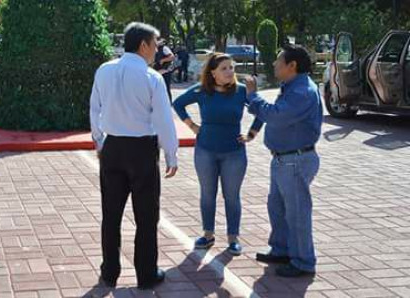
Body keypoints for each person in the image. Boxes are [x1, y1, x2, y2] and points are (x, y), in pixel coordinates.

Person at [90, 22, 179, 290]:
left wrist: (99, 142)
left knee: (111, 214)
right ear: (143, 45)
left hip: (113, 147)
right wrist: (171, 154)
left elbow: (95, 108)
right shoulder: (152, 77)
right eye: (155, 45)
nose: (157, 50)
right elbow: (163, 120)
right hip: (142, 150)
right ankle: (146, 273)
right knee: (146, 216)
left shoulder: (104, 70)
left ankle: (109, 272)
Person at [245, 45, 322, 278]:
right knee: (277, 208)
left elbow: (275, 115)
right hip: (284, 159)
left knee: (297, 214)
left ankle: (303, 262)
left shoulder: (302, 92)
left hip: (294, 160)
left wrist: (253, 96)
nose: (274, 64)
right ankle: (282, 250)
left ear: (292, 65)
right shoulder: (292, 86)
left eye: (278, 61)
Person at [172, 53, 261, 256]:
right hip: (205, 151)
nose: (230, 72)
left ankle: (233, 238)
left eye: (231, 67)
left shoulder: (241, 91)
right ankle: (208, 234)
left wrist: (251, 134)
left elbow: (261, 111)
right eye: (224, 68)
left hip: (234, 153)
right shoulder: (202, 90)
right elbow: (178, 103)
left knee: (232, 196)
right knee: (207, 194)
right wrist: (192, 126)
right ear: (212, 73)